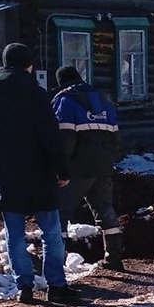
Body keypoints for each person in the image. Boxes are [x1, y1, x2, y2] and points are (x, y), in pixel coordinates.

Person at [0, 43, 79, 305]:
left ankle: (25, 288)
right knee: (51, 233)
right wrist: (62, 170)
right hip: (39, 174)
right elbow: (51, 137)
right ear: (28, 65)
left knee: (14, 235)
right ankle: (56, 285)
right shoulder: (36, 94)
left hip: (7, 176)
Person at [52, 65, 125, 271]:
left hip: (77, 169)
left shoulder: (65, 101)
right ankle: (114, 257)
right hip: (103, 167)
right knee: (105, 210)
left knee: (60, 212)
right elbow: (116, 138)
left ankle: (58, 263)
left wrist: (61, 167)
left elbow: (64, 140)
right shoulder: (103, 100)